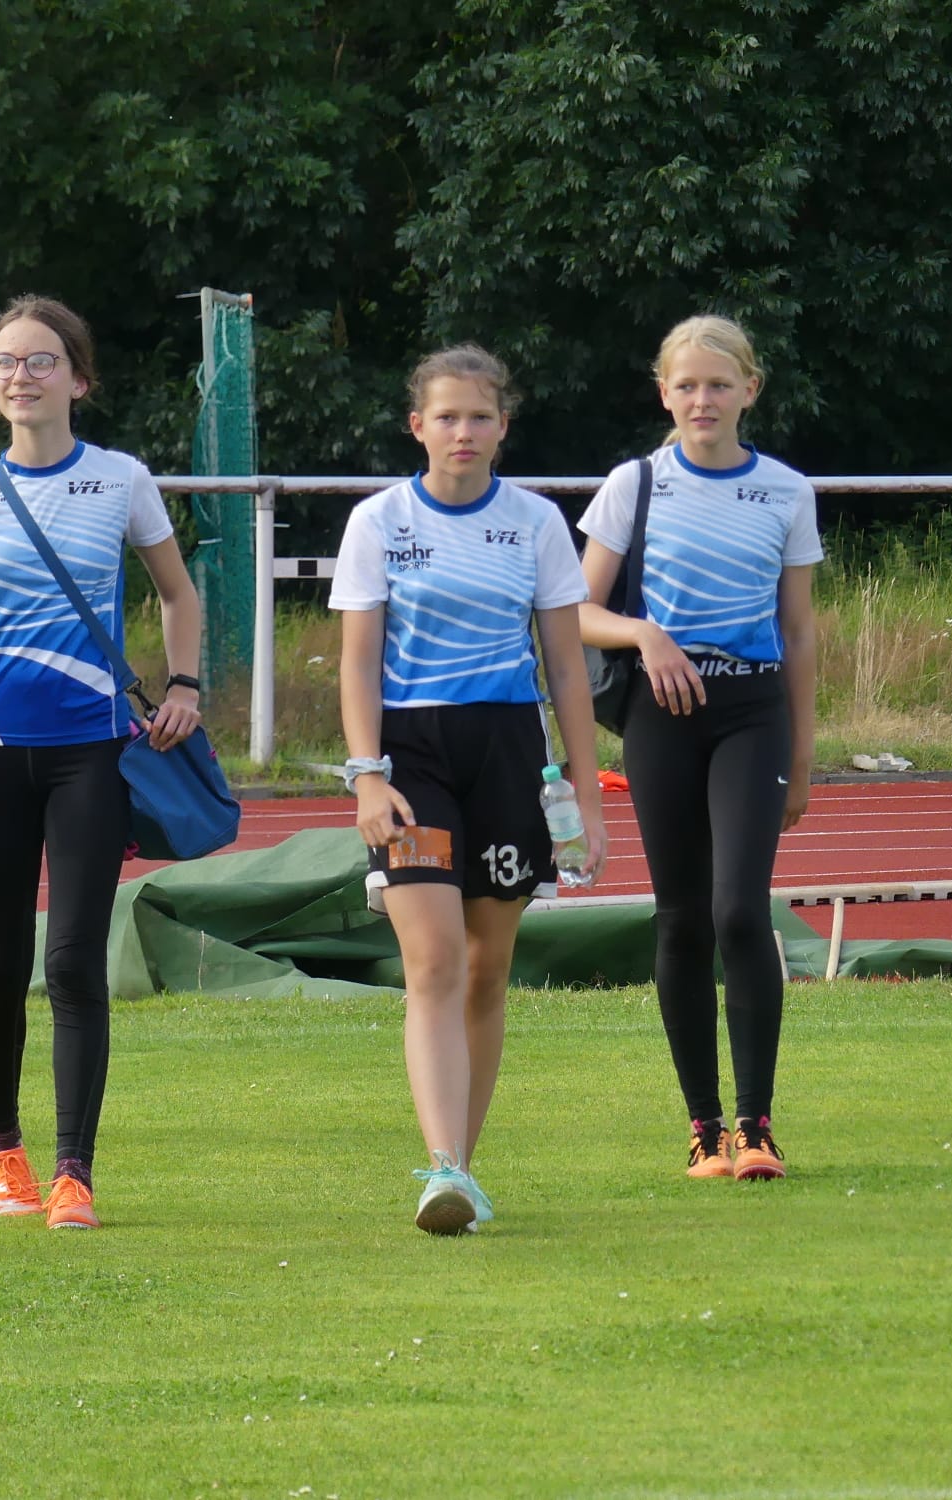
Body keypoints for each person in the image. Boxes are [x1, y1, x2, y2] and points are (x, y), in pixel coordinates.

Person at [0, 295, 203, 1231]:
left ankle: (74, 1172)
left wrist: (185, 686)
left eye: (40, 360)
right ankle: (2, 1148)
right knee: (0, 962)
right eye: (6, 361)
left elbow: (177, 592)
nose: (20, 376)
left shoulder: (121, 479)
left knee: (74, 960)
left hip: (93, 754)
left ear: (78, 379)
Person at [329, 344, 606, 1236]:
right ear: (418, 425)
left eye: (479, 416)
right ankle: (441, 1167)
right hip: (411, 759)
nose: (463, 431)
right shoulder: (379, 521)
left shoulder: (535, 523)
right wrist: (367, 776)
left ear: (502, 426)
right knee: (436, 961)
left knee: (487, 967)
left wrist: (587, 795)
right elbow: (358, 662)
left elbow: (566, 667)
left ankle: (464, 1174)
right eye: (446, 416)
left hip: (508, 752)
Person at [577, 314, 820, 1182]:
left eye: (719, 384)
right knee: (681, 916)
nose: (703, 399)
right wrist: (646, 635)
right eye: (687, 385)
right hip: (662, 713)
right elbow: (576, 612)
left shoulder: (786, 490)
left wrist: (804, 755)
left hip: (753, 712)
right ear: (664, 393)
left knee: (740, 911)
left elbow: (799, 628)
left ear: (750, 389)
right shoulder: (634, 484)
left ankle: (757, 1127)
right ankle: (703, 1130)